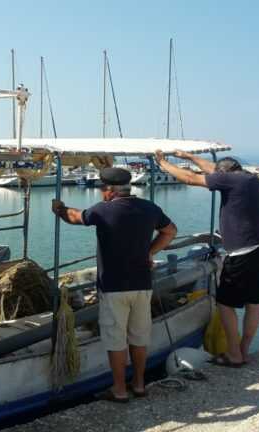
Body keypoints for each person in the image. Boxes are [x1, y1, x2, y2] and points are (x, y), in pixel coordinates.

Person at [51, 167, 177, 402]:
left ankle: (119, 389)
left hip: (113, 287)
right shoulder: (150, 208)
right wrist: (150, 251)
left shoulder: (104, 210)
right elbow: (170, 231)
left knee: (116, 339)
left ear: (109, 191)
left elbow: (75, 217)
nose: (101, 193)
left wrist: (59, 209)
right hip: (142, 285)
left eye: (101, 189)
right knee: (140, 337)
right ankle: (139, 385)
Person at [154, 150, 259, 367]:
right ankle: (244, 352)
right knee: (253, 303)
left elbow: (190, 178)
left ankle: (234, 354)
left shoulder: (231, 181)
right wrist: (188, 157)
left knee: (225, 304)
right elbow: (212, 169)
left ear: (225, 175)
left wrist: (163, 163)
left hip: (243, 254)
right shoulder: (249, 178)